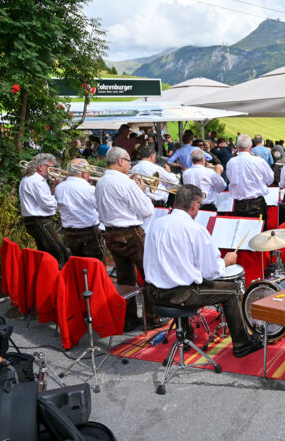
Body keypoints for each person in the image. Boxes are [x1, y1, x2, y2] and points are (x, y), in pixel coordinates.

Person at [144, 185, 261, 357]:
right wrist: (225, 262)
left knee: (181, 277)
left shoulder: (155, 225)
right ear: (195, 205)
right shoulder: (195, 230)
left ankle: (186, 332)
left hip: (153, 293)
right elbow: (211, 272)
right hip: (179, 295)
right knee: (231, 291)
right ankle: (242, 344)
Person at [95, 147, 157, 330]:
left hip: (111, 232)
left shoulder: (100, 182)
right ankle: (152, 318)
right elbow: (147, 210)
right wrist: (142, 190)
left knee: (124, 278)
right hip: (131, 233)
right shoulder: (126, 183)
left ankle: (129, 319)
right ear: (121, 161)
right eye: (129, 160)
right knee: (150, 275)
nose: (131, 164)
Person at [19, 154, 71, 267]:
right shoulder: (36, 181)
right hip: (40, 221)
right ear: (40, 167)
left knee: (46, 254)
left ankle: (47, 279)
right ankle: (62, 279)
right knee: (61, 252)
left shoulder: (32, 179)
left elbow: (45, 200)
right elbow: (48, 204)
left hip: (35, 221)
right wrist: (59, 193)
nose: (51, 171)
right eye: (49, 167)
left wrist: (54, 188)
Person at [54, 159, 105, 263]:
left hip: (69, 233)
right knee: (96, 267)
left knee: (76, 265)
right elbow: (103, 210)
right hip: (90, 233)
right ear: (84, 173)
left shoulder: (59, 188)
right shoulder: (89, 189)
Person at [226, 134, 274, 220]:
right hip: (255, 204)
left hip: (241, 204)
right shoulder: (259, 161)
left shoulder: (231, 162)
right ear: (251, 147)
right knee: (260, 232)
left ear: (237, 146)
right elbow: (270, 180)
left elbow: (230, 179)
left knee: (242, 232)